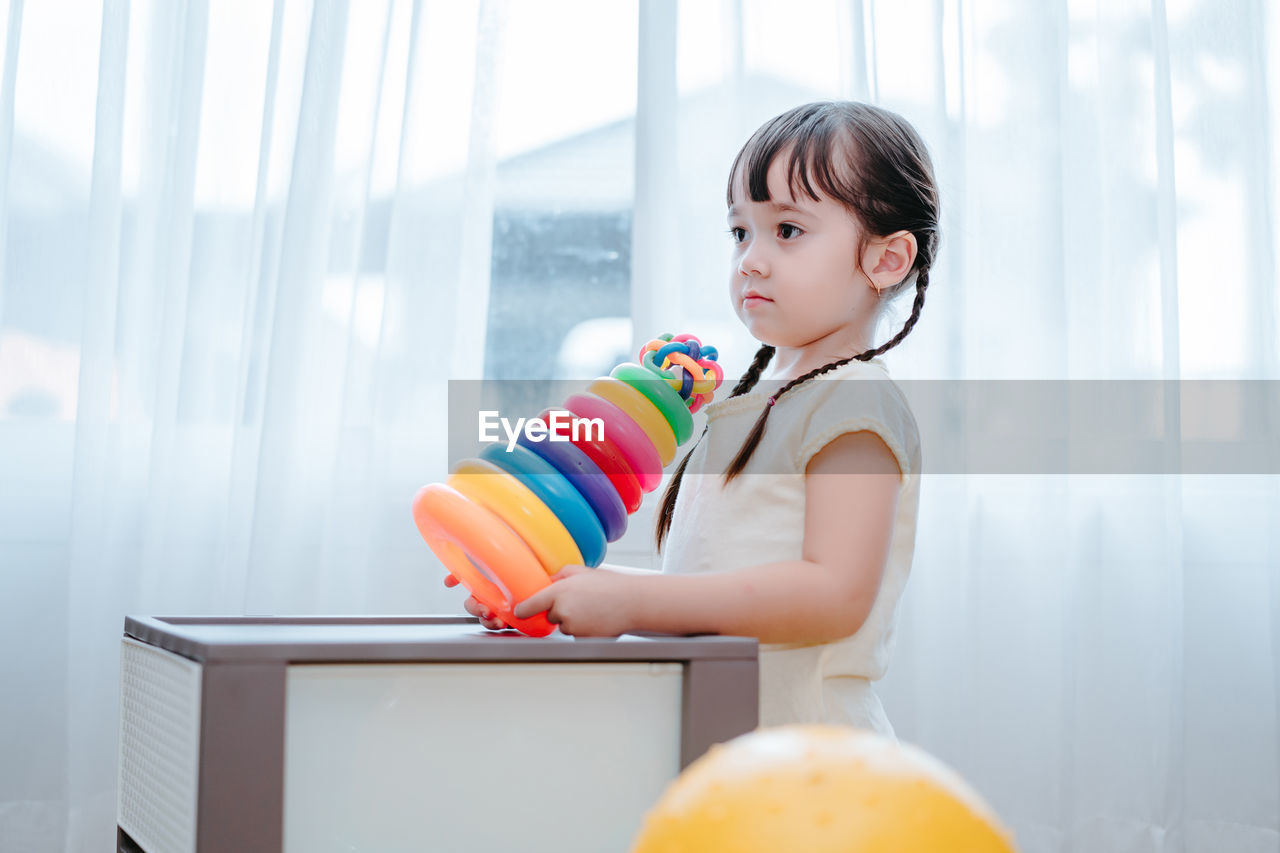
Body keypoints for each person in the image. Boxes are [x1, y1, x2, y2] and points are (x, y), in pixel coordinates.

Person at [445, 100, 938, 737]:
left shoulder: (854, 401)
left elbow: (834, 595)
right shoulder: (764, 401)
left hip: (810, 757)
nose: (751, 260)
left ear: (887, 260)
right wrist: (560, 584)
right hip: (733, 738)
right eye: (741, 232)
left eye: (787, 230)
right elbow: (713, 588)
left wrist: (632, 600)